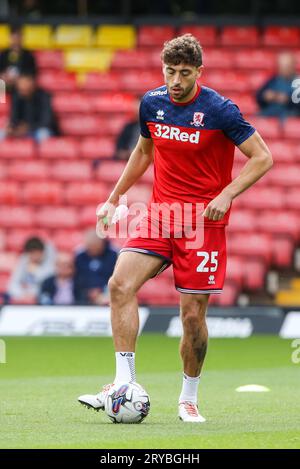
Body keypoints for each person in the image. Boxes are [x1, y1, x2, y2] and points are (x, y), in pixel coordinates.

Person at [78, 34, 273, 422]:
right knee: (119, 285)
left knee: (191, 318)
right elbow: (144, 151)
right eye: (170, 71)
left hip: (203, 223)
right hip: (160, 215)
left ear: (199, 71)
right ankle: (123, 384)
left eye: (185, 72)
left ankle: (188, 398)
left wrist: (227, 194)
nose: (177, 80)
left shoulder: (220, 110)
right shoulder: (152, 103)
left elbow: (262, 158)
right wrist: (116, 196)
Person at [2, 73, 58, 142]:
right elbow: (14, 117)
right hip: (21, 131)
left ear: (32, 84)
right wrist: (11, 126)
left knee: (43, 134)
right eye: (20, 88)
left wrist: (28, 127)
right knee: (2, 134)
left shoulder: (44, 97)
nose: (22, 90)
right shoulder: (17, 97)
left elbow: (47, 121)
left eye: (25, 87)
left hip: (38, 130)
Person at [74, 229, 118, 305]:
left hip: (108, 293)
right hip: (84, 295)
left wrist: (101, 290)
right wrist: (88, 291)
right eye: (89, 248)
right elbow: (77, 276)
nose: (92, 250)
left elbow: (117, 277)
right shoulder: (79, 255)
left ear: (102, 243)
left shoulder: (114, 254)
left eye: (95, 247)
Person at [7, 237, 55, 303]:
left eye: (36, 253)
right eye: (31, 254)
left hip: (43, 301)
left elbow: (48, 284)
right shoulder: (24, 260)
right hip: (24, 299)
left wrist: (35, 270)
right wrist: (22, 294)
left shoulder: (51, 261)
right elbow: (12, 284)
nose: (34, 257)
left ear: (42, 252)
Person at [256, 52, 299, 119]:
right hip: (271, 116)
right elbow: (259, 96)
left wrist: (288, 99)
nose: (284, 69)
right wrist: (265, 96)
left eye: (287, 66)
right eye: (282, 66)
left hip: (291, 117)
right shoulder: (273, 80)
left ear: (293, 65)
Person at [0, 26, 36, 90]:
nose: (16, 41)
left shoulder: (28, 56)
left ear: (22, 38)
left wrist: (19, 78)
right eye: (14, 38)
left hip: (21, 85)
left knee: (24, 85)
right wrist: (4, 76)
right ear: (10, 38)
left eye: (18, 38)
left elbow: (31, 73)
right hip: (5, 83)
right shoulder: (3, 54)